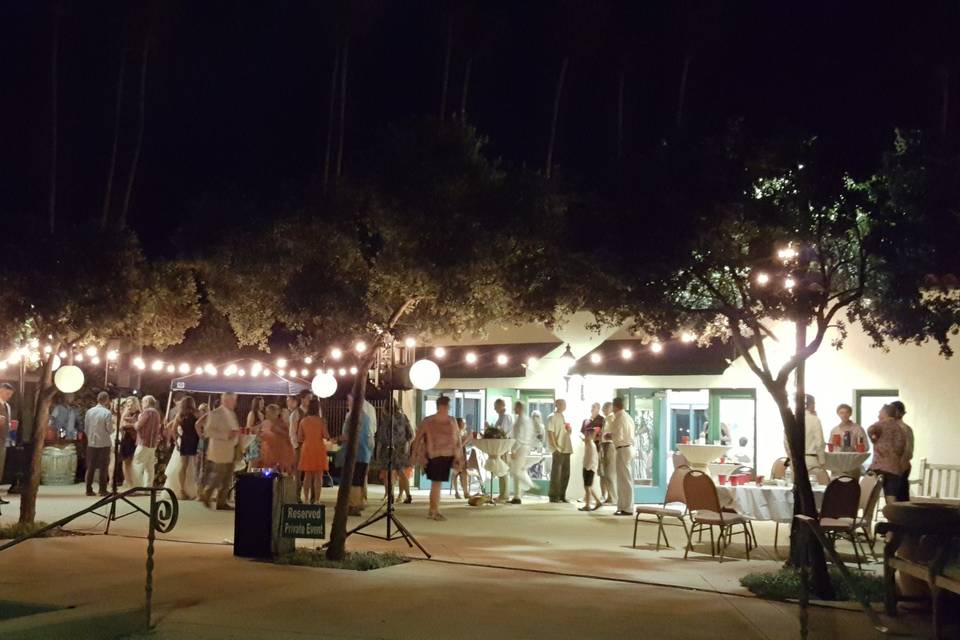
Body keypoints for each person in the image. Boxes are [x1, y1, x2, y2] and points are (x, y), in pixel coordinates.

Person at [414, 396, 463, 521]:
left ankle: (433, 509)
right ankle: (434, 510)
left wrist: (458, 456)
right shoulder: (429, 421)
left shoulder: (450, 420)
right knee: (436, 483)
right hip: (435, 455)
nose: (448, 409)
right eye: (447, 406)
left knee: (437, 483)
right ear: (442, 406)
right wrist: (416, 455)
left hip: (447, 455)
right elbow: (418, 438)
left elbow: (457, 439)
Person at [198, 392, 240, 510]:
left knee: (227, 478)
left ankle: (221, 502)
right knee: (218, 476)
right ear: (225, 400)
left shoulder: (232, 414)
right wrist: (226, 435)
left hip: (231, 449)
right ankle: (207, 494)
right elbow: (209, 431)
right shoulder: (215, 414)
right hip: (219, 450)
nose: (235, 403)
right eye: (233, 400)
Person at [868, 404, 908, 505]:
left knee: (871, 495)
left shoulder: (880, 424)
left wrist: (874, 440)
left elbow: (870, 430)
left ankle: (867, 519)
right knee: (891, 496)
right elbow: (901, 447)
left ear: (884, 413)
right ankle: (892, 518)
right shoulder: (901, 428)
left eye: (879, 412)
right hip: (894, 467)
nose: (878, 414)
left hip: (878, 465)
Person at [341, 397, 374, 516]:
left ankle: (353, 505)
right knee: (359, 480)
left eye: (349, 400)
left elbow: (350, 435)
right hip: (364, 452)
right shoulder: (366, 417)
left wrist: (340, 439)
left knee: (354, 479)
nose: (347, 403)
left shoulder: (354, 417)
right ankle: (358, 502)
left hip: (356, 452)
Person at [376, 402, 415, 504]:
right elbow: (411, 434)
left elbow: (382, 436)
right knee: (402, 472)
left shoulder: (387, 419)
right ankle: (408, 495)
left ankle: (391, 496)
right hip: (402, 449)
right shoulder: (404, 418)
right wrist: (406, 444)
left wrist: (378, 451)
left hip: (389, 449)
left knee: (389, 474)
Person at [164, 396, 200, 500]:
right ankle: (194, 489)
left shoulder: (180, 415)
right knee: (194, 466)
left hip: (185, 440)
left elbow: (173, 429)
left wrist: (177, 442)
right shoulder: (196, 413)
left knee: (184, 466)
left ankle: (182, 490)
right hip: (195, 440)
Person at [297, 399, 329, 505]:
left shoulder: (303, 421)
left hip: (307, 448)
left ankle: (305, 498)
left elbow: (299, 437)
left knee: (307, 475)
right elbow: (326, 435)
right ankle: (317, 499)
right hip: (318, 448)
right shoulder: (321, 421)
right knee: (318, 476)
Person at [783, 394, 826, 472]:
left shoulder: (790, 419)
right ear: (810, 404)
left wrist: (792, 457)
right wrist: (822, 461)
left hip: (795, 461)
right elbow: (819, 443)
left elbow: (786, 443)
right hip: (811, 460)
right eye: (814, 403)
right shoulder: (814, 419)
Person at [83, 391, 114, 496]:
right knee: (103, 467)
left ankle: (88, 489)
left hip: (91, 442)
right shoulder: (107, 413)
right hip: (104, 442)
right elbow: (109, 429)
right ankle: (102, 489)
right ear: (107, 400)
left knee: (90, 466)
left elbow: (86, 428)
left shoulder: (89, 412)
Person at [611, 397, 637, 515]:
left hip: (622, 448)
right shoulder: (628, 417)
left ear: (615, 406)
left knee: (624, 480)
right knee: (624, 479)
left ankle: (627, 507)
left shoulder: (619, 418)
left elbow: (619, 435)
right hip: (628, 448)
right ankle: (623, 506)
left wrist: (609, 436)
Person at [508, 401, 535, 504]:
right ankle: (517, 496)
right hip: (522, 447)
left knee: (516, 471)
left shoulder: (523, 420)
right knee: (516, 471)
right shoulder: (522, 419)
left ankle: (529, 485)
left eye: (515, 407)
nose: (514, 409)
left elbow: (519, 437)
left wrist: (514, 450)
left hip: (520, 447)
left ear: (520, 408)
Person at [257, 403, 296, 474]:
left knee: (280, 476)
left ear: (276, 413)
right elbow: (259, 436)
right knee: (267, 476)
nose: (267, 414)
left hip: (281, 456)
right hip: (267, 455)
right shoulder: (264, 423)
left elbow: (288, 436)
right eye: (267, 412)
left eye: (270, 412)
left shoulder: (283, 424)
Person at [132, 395, 162, 487]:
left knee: (137, 463)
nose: (141, 404)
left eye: (143, 402)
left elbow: (138, 426)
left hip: (143, 442)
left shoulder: (146, 413)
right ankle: (148, 486)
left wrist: (135, 422)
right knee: (149, 467)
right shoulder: (157, 413)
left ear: (147, 402)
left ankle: (136, 486)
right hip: (153, 444)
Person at [546, 399, 572, 503]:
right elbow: (550, 432)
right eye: (563, 404)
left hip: (566, 448)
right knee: (557, 473)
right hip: (558, 448)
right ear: (558, 405)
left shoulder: (562, 416)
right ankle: (554, 496)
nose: (565, 406)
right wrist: (555, 446)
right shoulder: (552, 416)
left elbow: (564, 431)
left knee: (566, 473)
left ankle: (562, 495)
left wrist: (569, 430)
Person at [890, 401, 914, 501]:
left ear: (901, 413)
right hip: (890, 467)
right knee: (892, 497)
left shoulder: (905, 429)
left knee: (901, 498)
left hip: (900, 467)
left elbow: (908, 451)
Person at [492, 398, 514, 502]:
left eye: (496, 406)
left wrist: (493, 431)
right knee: (500, 469)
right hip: (499, 446)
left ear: (501, 406)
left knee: (503, 469)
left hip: (504, 446)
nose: (495, 409)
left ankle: (504, 495)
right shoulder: (500, 417)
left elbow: (503, 432)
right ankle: (502, 493)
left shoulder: (506, 417)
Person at [117, 396, 141, 488]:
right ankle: (127, 482)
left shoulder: (139, 414)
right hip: (125, 439)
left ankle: (133, 483)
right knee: (125, 461)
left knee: (132, 462)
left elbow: (137, 426)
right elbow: (120, 426)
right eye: (127, 404)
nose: (129, 406)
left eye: (131, 404)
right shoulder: (125, 414)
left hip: (134, 439)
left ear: (135, 404)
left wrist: (128, 425)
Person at [579, 424, 603, 511]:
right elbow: (584, 439)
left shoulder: (590, 444)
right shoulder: (589, 444)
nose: (585, 435)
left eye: (587, 434)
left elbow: (592, 459)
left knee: (587, 487)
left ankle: (588, 505)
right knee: (588, 487)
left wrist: (588, 467)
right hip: (588, 467)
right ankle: (597, 501)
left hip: (589, 468)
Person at [286, 394, 305, 500]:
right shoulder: (297, 413)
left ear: (295, 401)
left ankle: (296, 495)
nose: (287, 403)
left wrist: (295, 446)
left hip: (297, 446)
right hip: (298, 445)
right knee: (297, 472)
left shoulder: (295, 413)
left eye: (289, 400)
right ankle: (296, 494)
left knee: (297, 472)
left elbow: (292, 432)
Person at [599, 401, 617, 504]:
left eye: (605, 407)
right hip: (605, 445)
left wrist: (608, 436)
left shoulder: (611, 417)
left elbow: (614, 431)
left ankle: (613, 497)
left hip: (609, 445)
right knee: (606, 472)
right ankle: (610, 496)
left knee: (610, 472)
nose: (603, 409)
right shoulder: (607, 419)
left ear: (610, 408)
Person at [450, 417, 471, 499]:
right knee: (456, 473)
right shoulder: (455, 432)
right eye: (463, 423)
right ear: (459, 424)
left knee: (464, 472)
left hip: (463, 454)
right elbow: (458, 445)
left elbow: (464, 444)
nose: (465, 424)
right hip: (456, 454)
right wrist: (467, 439)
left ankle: (466, 492)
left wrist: (468, 439)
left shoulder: (463, 432)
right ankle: (456, 492)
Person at [0, 382, 14, 501]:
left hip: (3, 440)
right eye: (7, 393)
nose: (9, 396)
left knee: (0, 468)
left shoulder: (7, 406)